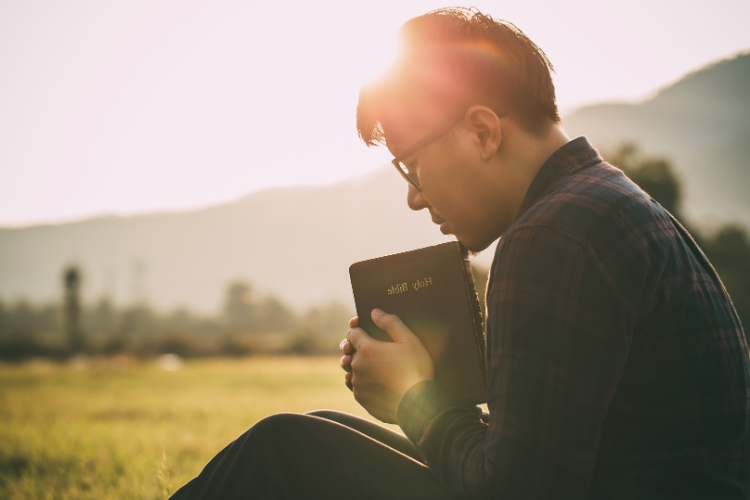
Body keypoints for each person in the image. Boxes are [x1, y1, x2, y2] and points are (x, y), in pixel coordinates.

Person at [170, 7, 750, 499]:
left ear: (482, 132)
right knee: (317, 428)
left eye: (412, 165)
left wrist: (417, 398)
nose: (414, 197)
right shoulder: (602, 202)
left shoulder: (554, 234)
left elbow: (515, 490)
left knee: (286, 449)